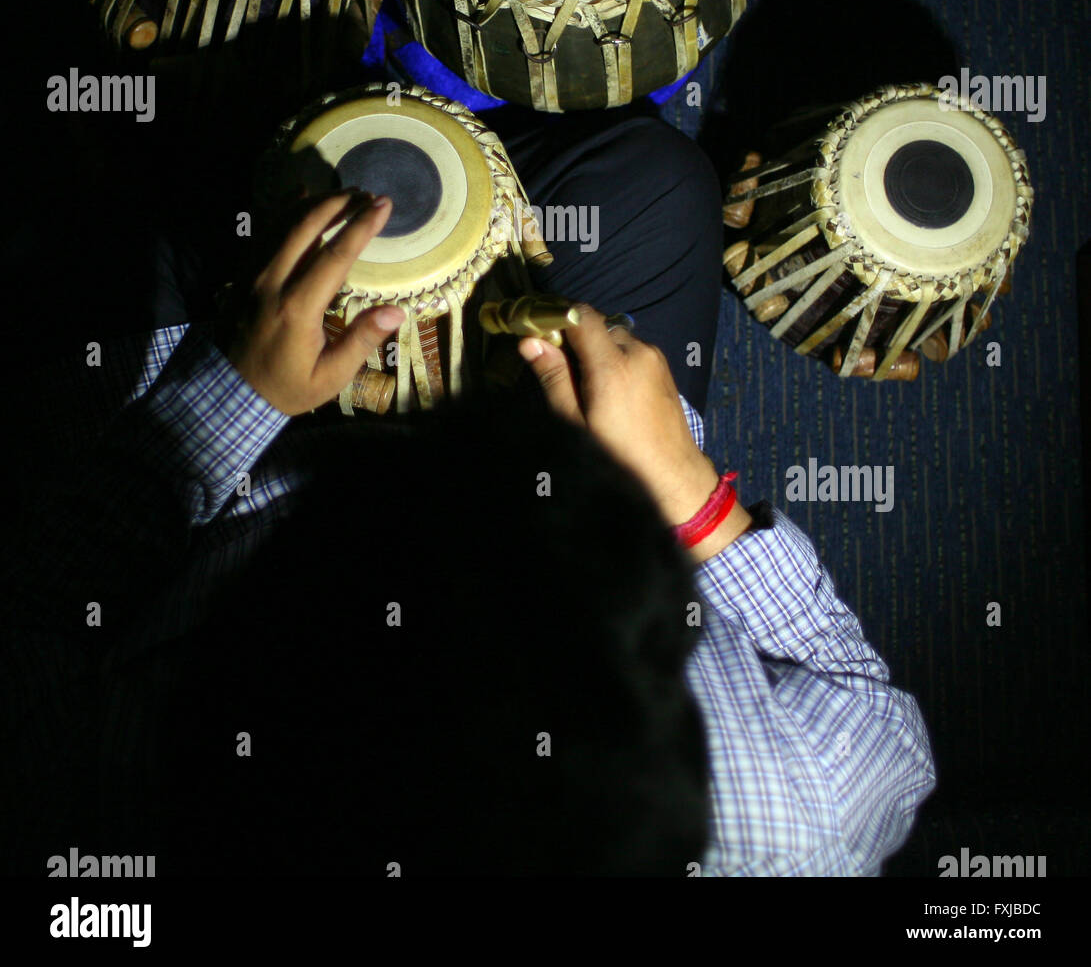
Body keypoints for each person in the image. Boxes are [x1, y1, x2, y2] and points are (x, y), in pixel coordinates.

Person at [4, 182, 934, 877]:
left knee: (171, 205)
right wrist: (684, 492)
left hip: (252, 472)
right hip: (604, 459)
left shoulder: (78, 808)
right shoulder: (802, 826)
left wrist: (234, 401)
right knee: (649, 179)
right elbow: (860, 698)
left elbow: (46, 603)